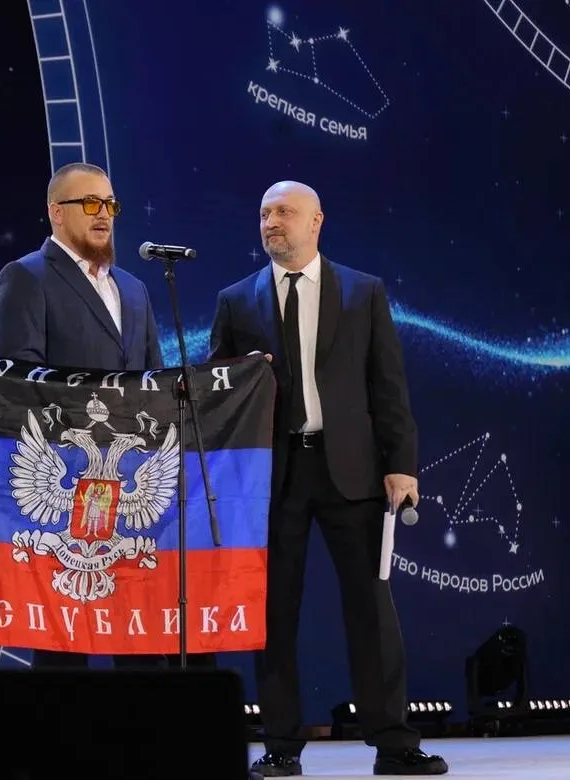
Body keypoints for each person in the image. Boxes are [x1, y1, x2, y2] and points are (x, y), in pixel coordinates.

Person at [209, 181, 448, 777]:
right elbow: (220, 393)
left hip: (353, 471)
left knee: (371, 608)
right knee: (275, 613)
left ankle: (394, 743)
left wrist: (401, 463)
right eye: (264, 213)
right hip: (275, 475)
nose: (272, 222)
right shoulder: (236, 301)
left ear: (316, 221)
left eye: (284, 213)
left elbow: (388, 384)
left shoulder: (364, 292)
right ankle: (281, 746)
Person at [0, 161, 217, 672]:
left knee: (136, 632)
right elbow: (20, 381)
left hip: (130, 483)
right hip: (64, 483)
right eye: (90, 203)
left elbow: (152, 381)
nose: (103, 214)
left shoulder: (133, 288)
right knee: (63, 638)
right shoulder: (25, 277)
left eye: (110, 204)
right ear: (56, 212)